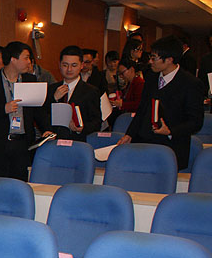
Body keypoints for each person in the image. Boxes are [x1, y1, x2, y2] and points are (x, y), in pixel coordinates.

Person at [118, 35, 204, 170]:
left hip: (172, 147)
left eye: (154, 58)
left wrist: (170, 131)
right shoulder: (151, 76)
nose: (150, 61)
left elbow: (196, 122)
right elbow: (142, 109)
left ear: (169, 59)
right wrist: (129, 134)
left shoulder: (191, 83)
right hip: (144, 142)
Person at [0, 41, 51, 181]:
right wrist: (3, 109)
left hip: (23, 145)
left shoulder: (30, 80)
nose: (29, 62)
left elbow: (38, 110)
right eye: (26, 58)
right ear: (13, 59)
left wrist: (46, 129)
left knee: (20, 185)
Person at [44, 45, 102, 141]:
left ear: (81, 65)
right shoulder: (52, 88)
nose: (69, 69)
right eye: (65, 65)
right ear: (59, 65)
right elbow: (43, 115)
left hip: (77, 141)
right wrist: (54, 99)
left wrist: (82, 128)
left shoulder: (91, 91)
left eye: (74, 65)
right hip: (54, 141)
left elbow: (96, 122)